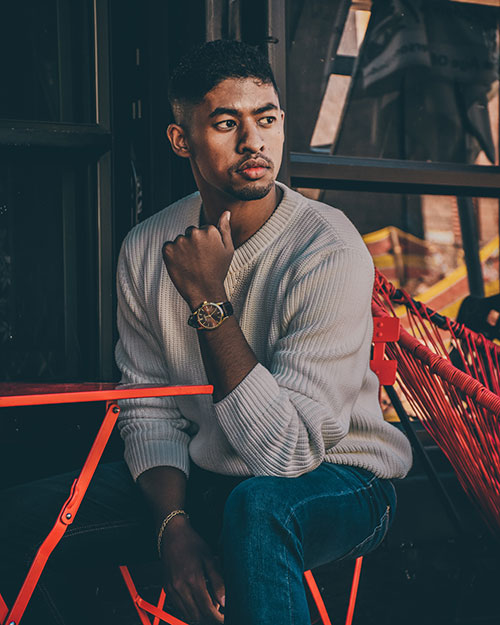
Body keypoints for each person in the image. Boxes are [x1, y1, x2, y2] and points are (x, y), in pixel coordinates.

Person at [0, 40, 412, 625]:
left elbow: (288, 454)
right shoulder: (147, 245)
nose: (254, 142)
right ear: (181, 139)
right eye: (226, 123)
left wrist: (208, 300)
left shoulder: (328, 246)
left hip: (340, 480)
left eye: (266, 119)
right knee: (14, 521)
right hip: (208, 479)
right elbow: (149, 408)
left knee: (258, 509)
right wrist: (172, 528)